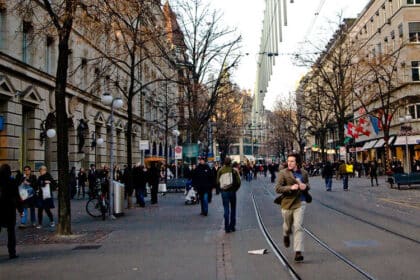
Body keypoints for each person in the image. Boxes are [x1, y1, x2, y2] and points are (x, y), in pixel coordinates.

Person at [275, 153, 310, 262]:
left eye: (292, 161)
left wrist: (306, 186)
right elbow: (278, 188)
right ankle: (286, 234)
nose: (289, 163)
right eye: (288, 161)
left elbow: (307, 184)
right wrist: (291, 187)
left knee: (298, 226)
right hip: (287, 203)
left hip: (301, 201)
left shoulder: (304, 173)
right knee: (287, 226)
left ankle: (298, 252)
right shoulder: (283, 173)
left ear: (297, 163)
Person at [0, 164, 21, 259]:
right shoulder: (11, 181)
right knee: (11, 231)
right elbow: (16, 197)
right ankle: (11, 252)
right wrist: (20, 209)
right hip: (9, 209)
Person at [217, 157, 241, 233]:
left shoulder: (220, 170)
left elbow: (217, 181)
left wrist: (221, 190)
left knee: (226, 209)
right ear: (230, 162)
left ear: (224, 162)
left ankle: (226, 227)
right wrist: (235, 189)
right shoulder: (234, 170)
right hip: (232, 192)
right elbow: (239, 182)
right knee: (233, 208)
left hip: (224, 192)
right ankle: (232, 226)